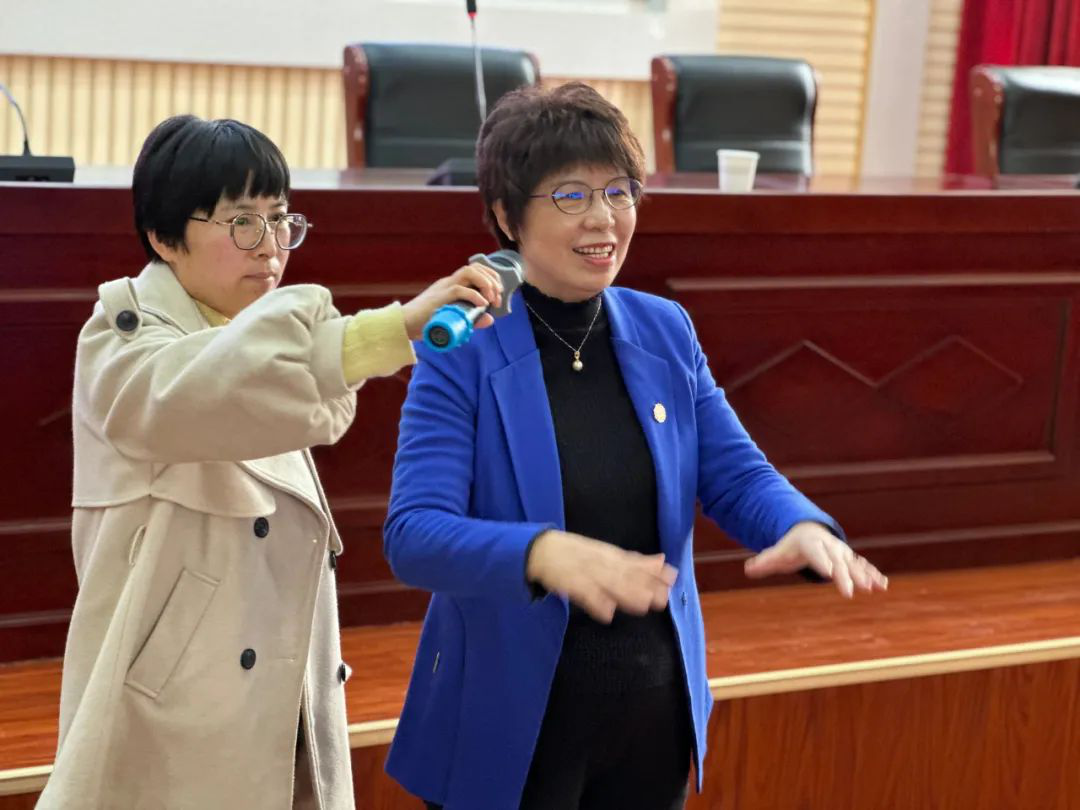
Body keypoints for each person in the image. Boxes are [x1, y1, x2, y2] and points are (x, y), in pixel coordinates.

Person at [381, 83, 888, 810]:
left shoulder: (663, 328)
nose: (604, 218)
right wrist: (542, 552)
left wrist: (800, 526)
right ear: (506, 216)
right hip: (509, 728)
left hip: (651, 723)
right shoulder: (464, 345)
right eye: (571, 195)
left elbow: (737, 474)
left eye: (619, 192)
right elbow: (413, 535)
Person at [37, 115, 504, 810]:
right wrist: (397, 326)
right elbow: (197, 391)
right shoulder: (121, 337)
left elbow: (269, 379)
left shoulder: (247, 338)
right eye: (242, 222)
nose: (270, 246)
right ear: (164, 237)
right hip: (174, 719)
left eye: (281, 219)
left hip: (277, 704)